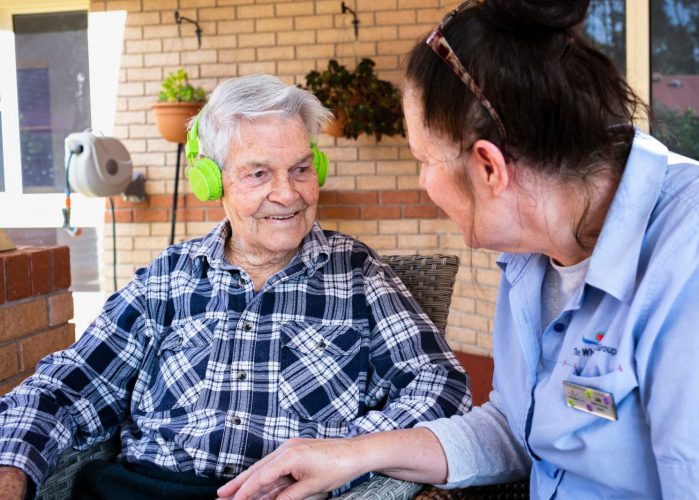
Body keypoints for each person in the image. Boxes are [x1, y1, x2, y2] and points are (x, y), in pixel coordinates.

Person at [215, 1, 699, 499]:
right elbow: (517, 429)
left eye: (424, 160)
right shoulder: (531, 253)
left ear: (489, 167)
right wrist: (352, 454)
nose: (424, 182)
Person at [0, 74, 472, 500]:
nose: (288, 194)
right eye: (258, 173)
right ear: (212, 181)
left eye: (302, 169)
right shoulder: (167, 277)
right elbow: (69, 384)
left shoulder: (358, 275)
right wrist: (12, 467)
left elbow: (440, 386)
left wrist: (347, 455)